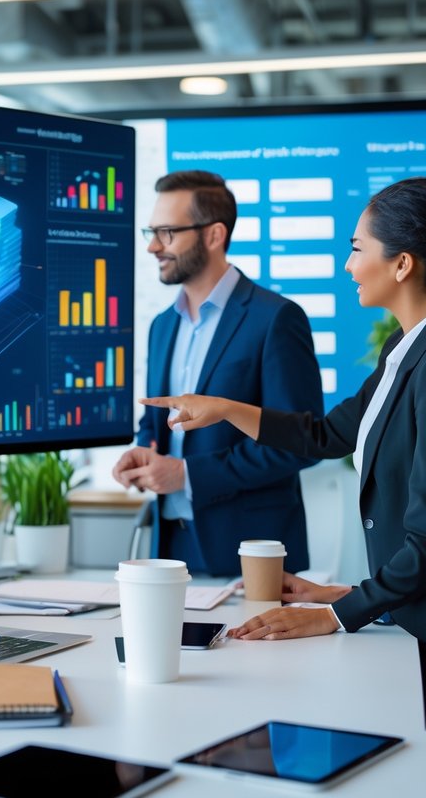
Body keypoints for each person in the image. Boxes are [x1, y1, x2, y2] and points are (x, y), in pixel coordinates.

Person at [143, 177, 426, 767]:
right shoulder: (407, 351)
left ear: (400, 264)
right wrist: (222, 407)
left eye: (356, 248)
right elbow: (325, 435)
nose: (347, 264)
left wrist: (333, 614)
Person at [111, 170, 323, 576]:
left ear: (213, 235)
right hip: (169, 549)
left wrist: (187, 474)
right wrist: (144, 452)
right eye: (151, 232)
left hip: (250, 554)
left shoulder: (276, 319)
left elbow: (300, 443)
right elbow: (158, 421)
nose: (154, 246)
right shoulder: (161, 326)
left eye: (168, 232)